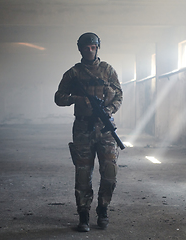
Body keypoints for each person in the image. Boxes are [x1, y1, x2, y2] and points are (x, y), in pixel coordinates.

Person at [54, 32, 123, 232]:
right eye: (86, 47)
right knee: (83, 173)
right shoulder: (73, 73)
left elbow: (119, 94)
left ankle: (103, 209)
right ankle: (83, 214)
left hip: (105, 127)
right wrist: (76, 99)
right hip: (83, 127)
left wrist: (109, 111)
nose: (90, 50)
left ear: (97, 48)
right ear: (81, 49)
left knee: (110, 171)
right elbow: (59, 97)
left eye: (93, 47)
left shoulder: (108, 70)